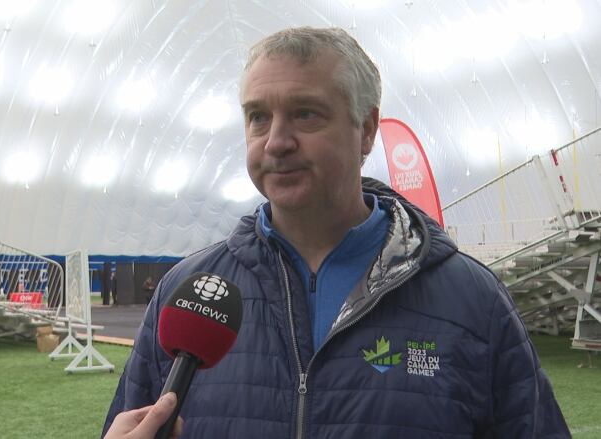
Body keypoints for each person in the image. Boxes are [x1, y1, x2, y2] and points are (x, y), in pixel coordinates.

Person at [103, 27, 570, 438]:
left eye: (305, 114)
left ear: (365, 131)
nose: (276, 141)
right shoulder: (187, 291)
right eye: (258, 117)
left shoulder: (473, 299)